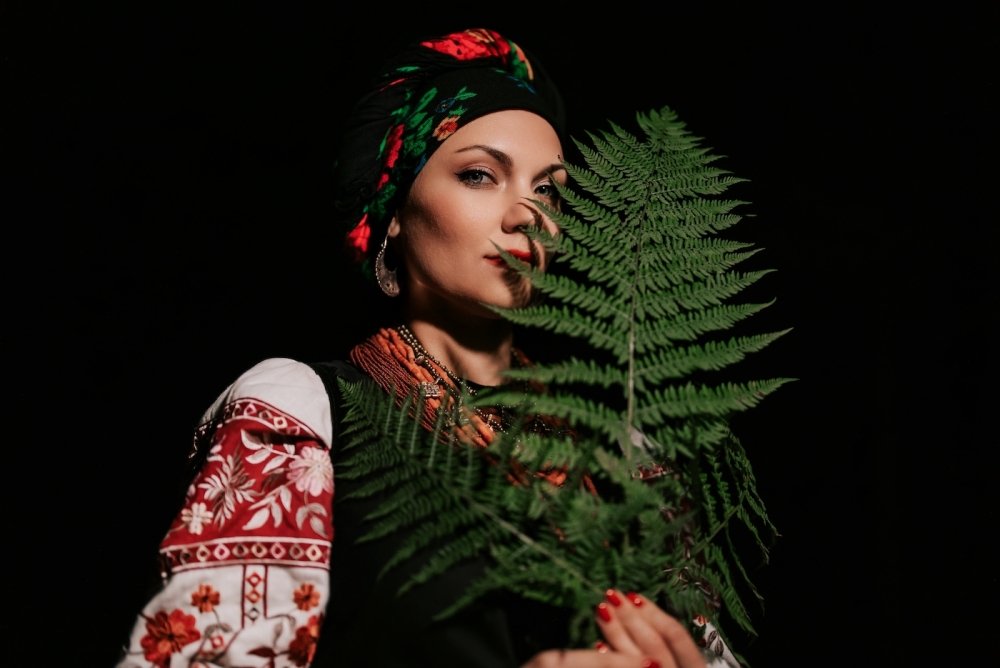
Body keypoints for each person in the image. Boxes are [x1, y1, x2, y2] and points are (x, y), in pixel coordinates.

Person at [115, 27, 743, 668]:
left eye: (549, 188)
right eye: (479, 175)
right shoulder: (307, 412)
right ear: (394, 212)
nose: (529, 212)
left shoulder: (626, 452)